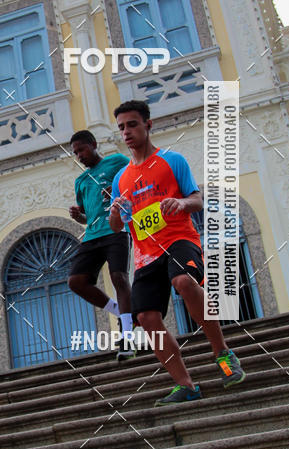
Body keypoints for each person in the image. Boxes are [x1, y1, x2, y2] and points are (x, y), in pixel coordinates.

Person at [108, 99, 246, 405]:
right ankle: (186, 385)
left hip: (179, 239)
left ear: (148, 124)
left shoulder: (172, 161)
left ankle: (223, 354)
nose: (127, 132)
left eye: (132, 124)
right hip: (146, 254)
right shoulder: (122, 179)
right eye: (121, 127)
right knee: (145, 317)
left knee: (184, 283)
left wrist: (182, 203)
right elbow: (117, 226)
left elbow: (196, 198)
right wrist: (116, 211)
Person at [68, 130, 134, 360]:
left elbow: (136, 180)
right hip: (92, 235)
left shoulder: (117, 161)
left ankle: (127, 335)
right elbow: (88, 213)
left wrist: (120, 191)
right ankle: (122, 312)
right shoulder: (81, 181)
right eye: (75, 153)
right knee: (76, 282)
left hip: (116, 229)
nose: (79, 156)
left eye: (82, 150)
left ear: (94, 145)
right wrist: (79, 217)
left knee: (119, 277)